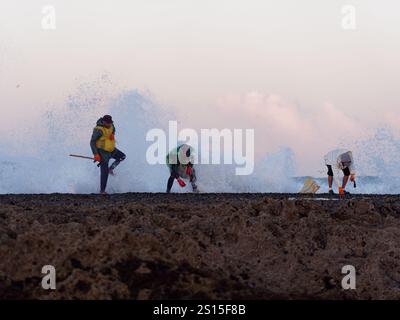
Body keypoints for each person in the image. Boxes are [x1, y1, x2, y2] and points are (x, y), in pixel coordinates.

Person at [90, 115, 126, 194]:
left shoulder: (111, 125)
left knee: (122, 156)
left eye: (110, 123)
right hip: (102, 153)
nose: (109, 124)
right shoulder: (98, 130)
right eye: (108, 123)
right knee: (104, 172)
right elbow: (92, 142)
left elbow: (113, 128)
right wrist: (96, 154)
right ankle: (102, 191)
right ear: (103, 122)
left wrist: (113, 133)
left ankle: (111, 169)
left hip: (112, 150)